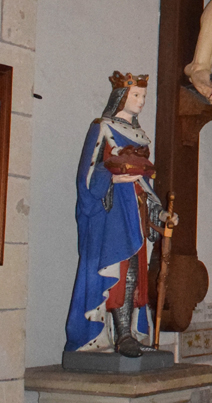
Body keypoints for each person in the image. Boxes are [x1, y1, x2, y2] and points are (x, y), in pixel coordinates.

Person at [65, 72, 176, 357]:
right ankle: (121, 334)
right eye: (135, 96)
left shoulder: (140, 137)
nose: (140, 102)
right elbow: (87, 175)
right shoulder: (102, 127)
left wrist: (161, 214)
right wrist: (112, 180)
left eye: (143, 97)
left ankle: (127, 332)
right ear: (121, 97)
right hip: (111, 210)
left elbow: (144, 184)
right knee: (119, 270)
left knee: (134, 272)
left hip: (135, 209)